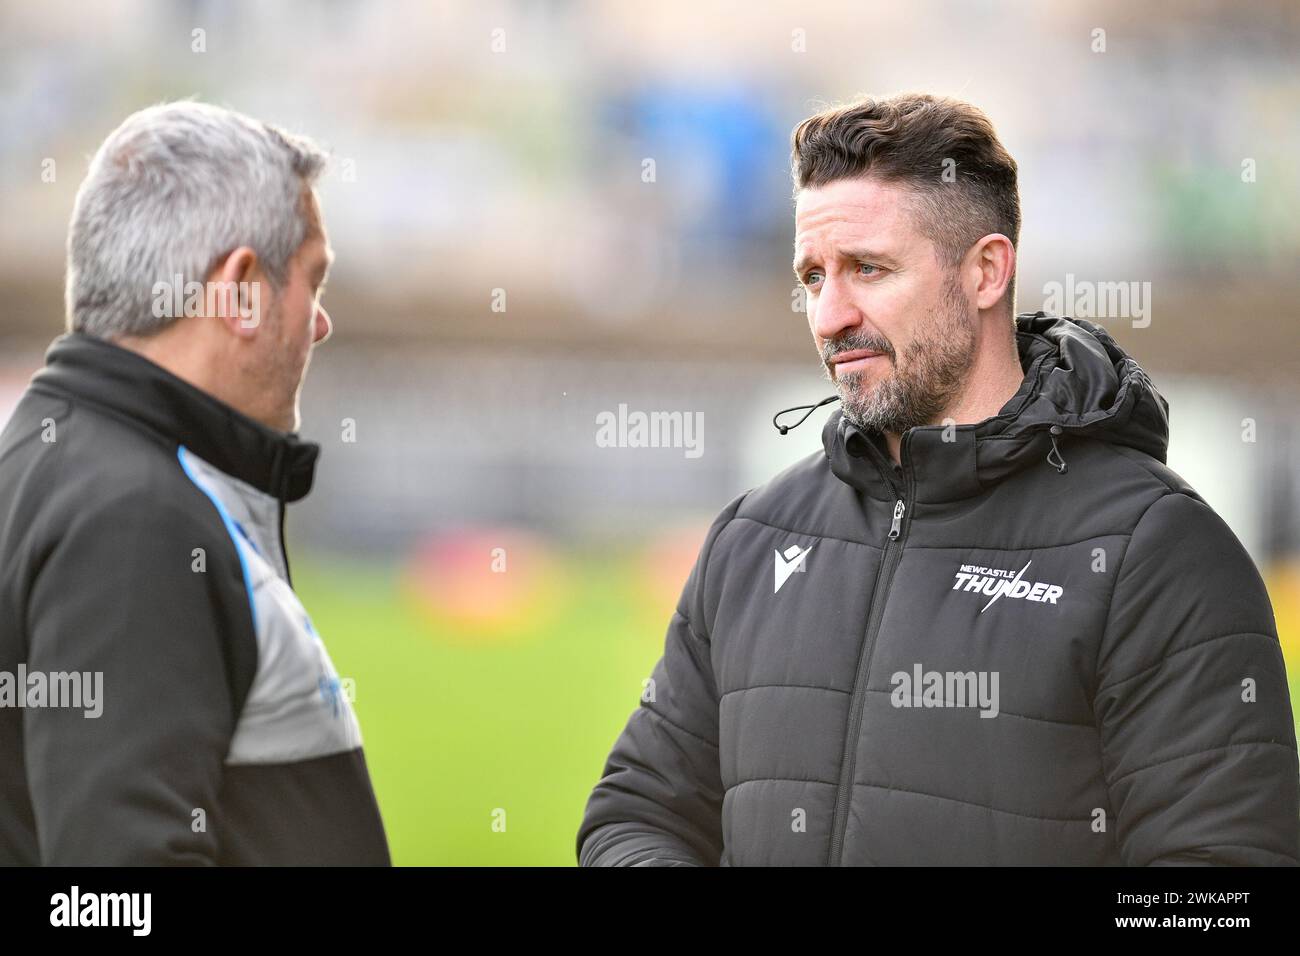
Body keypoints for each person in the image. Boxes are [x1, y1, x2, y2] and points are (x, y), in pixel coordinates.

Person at [577, 93, 1299, 866]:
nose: (829, 315)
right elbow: (636, 814)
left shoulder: (1154, 549)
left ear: (986, 271)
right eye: (813, 277)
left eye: (868, 269)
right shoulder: (755, 537)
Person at [0, 101, 389, 865]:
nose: (320, 323)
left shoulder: (45, 461)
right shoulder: (136, 520)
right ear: (241, 291)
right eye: (313, 280)